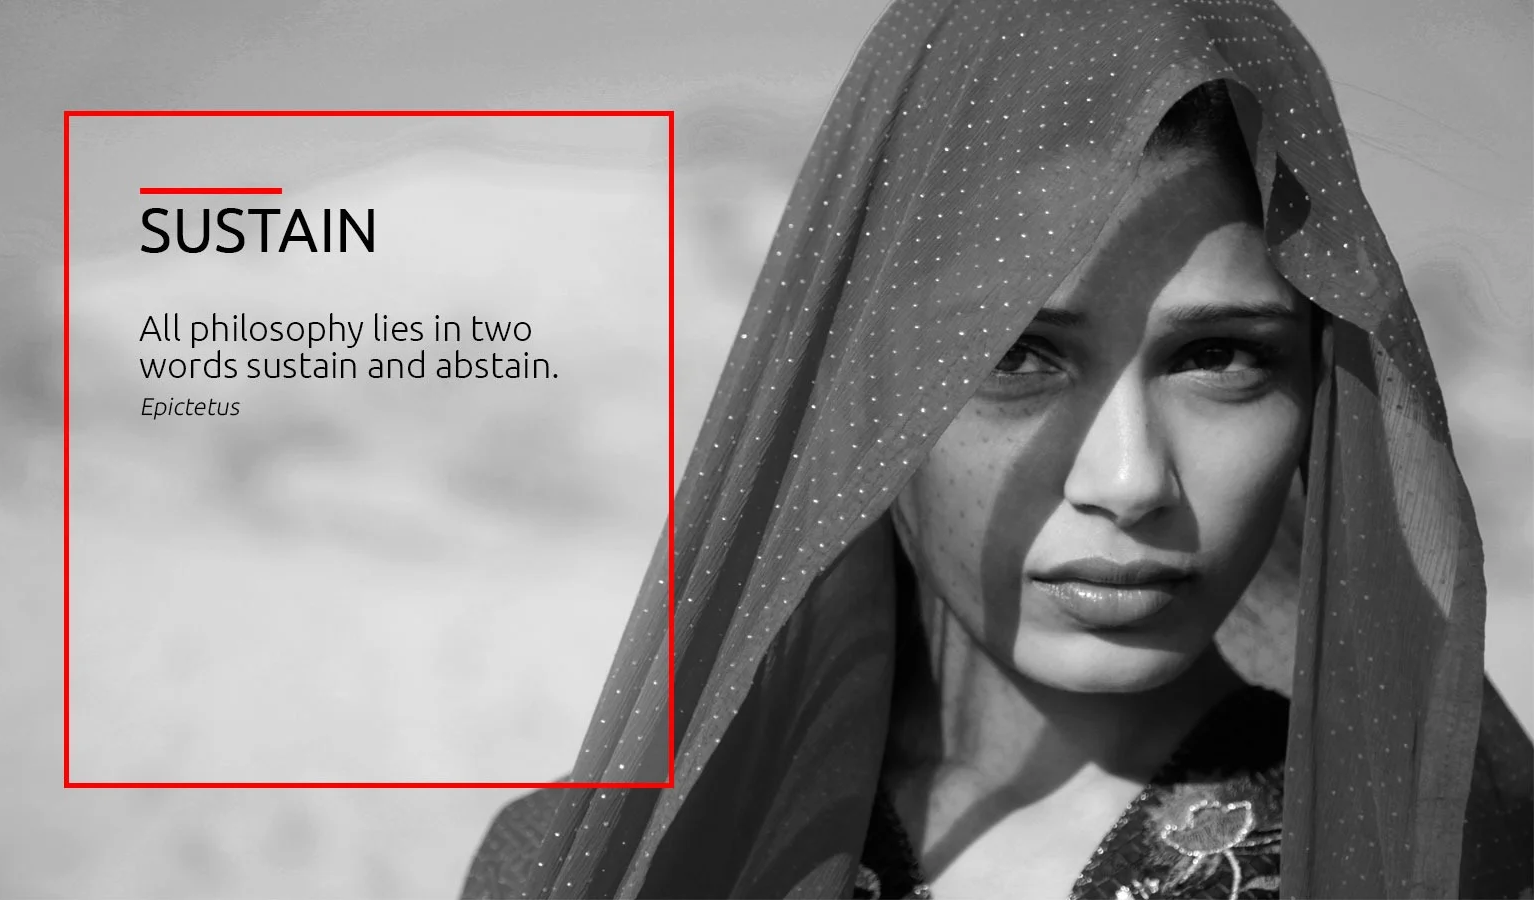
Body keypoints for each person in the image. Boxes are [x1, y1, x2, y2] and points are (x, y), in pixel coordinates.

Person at [462, 1, 1532, 897]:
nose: (1128, 481)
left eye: (1218, 356)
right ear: (863, 388)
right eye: (1015, 352)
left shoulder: (1442, 858)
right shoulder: (593, 865)